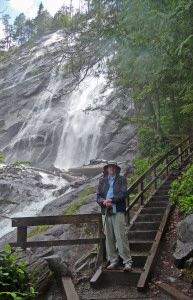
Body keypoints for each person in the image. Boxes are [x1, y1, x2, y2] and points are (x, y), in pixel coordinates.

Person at [97, 161, 133, 271]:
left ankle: (127, 261)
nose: (111, 168)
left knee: (121, 236)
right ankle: (113, 260)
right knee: (109, 238)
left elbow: (123, 193)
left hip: (117, 211)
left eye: (113, 167)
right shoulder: (102, 181)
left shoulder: (122, 179)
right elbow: (98, 196)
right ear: (107, 169)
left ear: (116, 169)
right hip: (106, 211)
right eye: (109, 167)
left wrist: (111, 200)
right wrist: (104, 202)